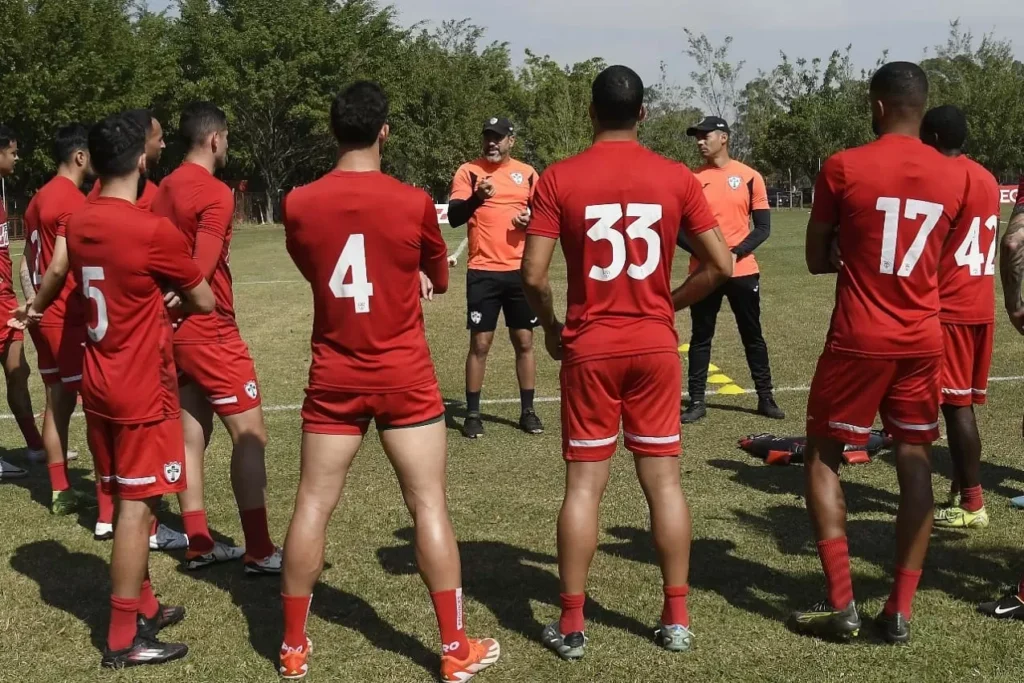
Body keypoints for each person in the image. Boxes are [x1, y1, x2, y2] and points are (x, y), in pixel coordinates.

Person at [280, 81, 499, 682]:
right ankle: (454, 647)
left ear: (333, 130)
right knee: (428, 504)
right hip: (404, 374)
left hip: (334, 373)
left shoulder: (298, 202)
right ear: (384, 131)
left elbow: (313, 269)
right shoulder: (410, 201)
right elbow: (438, 278)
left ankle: (293, 647)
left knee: (312, 505)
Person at [521, 64, 733, 660]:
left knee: (584, 487)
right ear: (642, 113)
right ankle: (676, 617)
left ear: (591, 112)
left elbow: (532, 275)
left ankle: (571, 623)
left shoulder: (559, 177)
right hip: (653, 345)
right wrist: (668, 302)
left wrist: (554, 327)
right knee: (663, 483)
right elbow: (721, 264)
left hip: (590, 346)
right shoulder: (676, 177)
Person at [790, 62, 970, 645]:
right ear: (924, 106)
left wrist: (843, 247)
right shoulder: (957, 177)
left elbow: (815, 259)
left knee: (823, 456)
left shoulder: (844, 166)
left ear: (877, 106)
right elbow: (939, 261)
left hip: (859, 337)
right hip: (922, 337)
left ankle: (842, 603)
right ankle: (899, 609)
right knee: (915, 460)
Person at [27, 112, 214, 667]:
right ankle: (122, 637)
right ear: (138, 159)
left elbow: (58, 272)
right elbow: (203, 299)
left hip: (99, 381)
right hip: (140, 389)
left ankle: (146, 606)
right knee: (138, 508)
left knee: (130, 496)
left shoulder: (79, 220)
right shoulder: (149, 229)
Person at [151, 101, 278, 574]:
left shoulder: (163, 188)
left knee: (192, 433)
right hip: (210, 329)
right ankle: (260, 549)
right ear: (215, 139)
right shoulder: (215, 192)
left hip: (173, 332)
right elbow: (198, 271)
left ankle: (199, 543)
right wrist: (185, 295)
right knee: (250, 435)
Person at [920, 105, 1000, 530]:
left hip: (949, 306)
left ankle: (972, 503)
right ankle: (960, 491)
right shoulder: (986, 177)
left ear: (932, 138)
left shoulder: (942, 178)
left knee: (956, 408)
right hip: (980, 303)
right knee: (961, 404)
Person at [680, 116, 784, 423]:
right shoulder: (691, 179)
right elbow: (678, 229)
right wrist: (709, 255)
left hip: (743, 270)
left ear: (723, 137)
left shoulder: (750, 176)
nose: (700, 142)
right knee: (701, 336)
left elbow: (763, 228)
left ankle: (766, 398)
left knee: (752, 335)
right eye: (697, 137)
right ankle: (696, 401)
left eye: (705, 136)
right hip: (704, 272)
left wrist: (735, 253)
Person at [448, 117, 542, 439]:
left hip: (519, 272)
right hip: (483, 271)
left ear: (511, 141)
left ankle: (528, 411)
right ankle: (473, 415)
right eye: (488, 136)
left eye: (499, 137)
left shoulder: (527, 173)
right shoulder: (469, 172)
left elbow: (544, 216)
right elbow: (454, 217)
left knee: (525, 341)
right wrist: (477, 198)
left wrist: (530, 219)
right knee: (480, 343)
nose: (492, 142)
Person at [19, 123, 92, 514]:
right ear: (80, 156)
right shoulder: (72, 200)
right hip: (66, 317)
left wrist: (33, 304)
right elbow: (60, 265)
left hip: (44, 318)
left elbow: (26, 262)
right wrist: (43, 304)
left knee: (55, 402)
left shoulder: (37, 199)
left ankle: (61, 490)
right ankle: (111, 500)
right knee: (96, 407)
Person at [0, 124, 45, 475]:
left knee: (19, 371)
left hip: (5, 300)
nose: (17, 158)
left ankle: (35, 446)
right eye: (13, 152)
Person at [87, 109, 164, 209]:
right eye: (159, 139)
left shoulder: (99, 190)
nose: (163, 145)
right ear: (142, 142)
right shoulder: (153, 198)